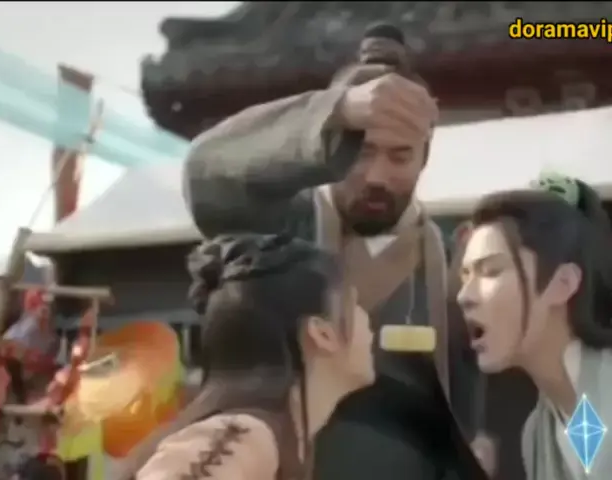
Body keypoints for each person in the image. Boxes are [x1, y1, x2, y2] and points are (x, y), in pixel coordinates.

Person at [184, 22, 485, 480]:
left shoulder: (450, 263)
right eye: (359, 151)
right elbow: (208, 176)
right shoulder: (277, 236)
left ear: (424, 158)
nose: (377, 176)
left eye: (400, 156)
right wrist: (337, 110)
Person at [136, 233, 375, 479]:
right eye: (355, 305)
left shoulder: (277, 439)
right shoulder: (245, 437)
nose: (368, 323)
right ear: (322, 333)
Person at [457, 186, 612, 479]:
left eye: (491, 271)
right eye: (465, 276)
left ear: (563, 284)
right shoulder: (538, 432)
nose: (464, 295)